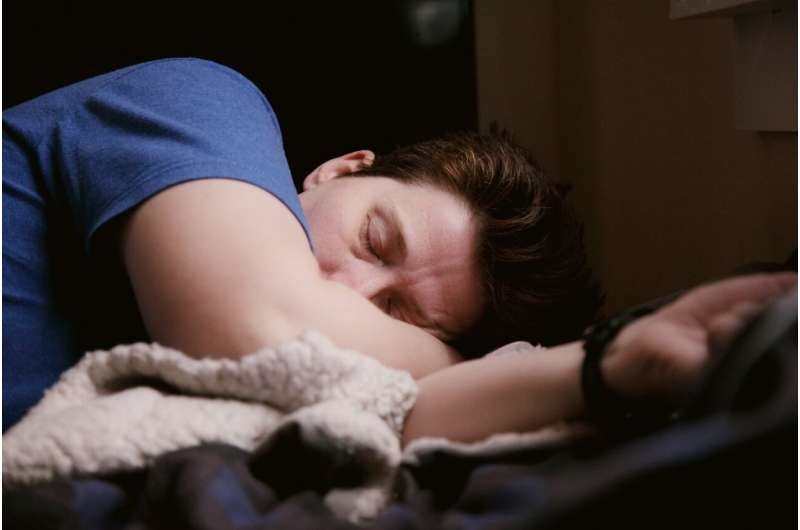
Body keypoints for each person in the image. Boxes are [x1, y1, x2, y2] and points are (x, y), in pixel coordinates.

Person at [3, 58, 795, 442]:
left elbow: (384, 403)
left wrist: (618, 364)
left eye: (398, 314)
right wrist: (496, 361)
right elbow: (264, 335)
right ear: (341, 169)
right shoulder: (202, 101)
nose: (345, 292)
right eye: (374, 239)